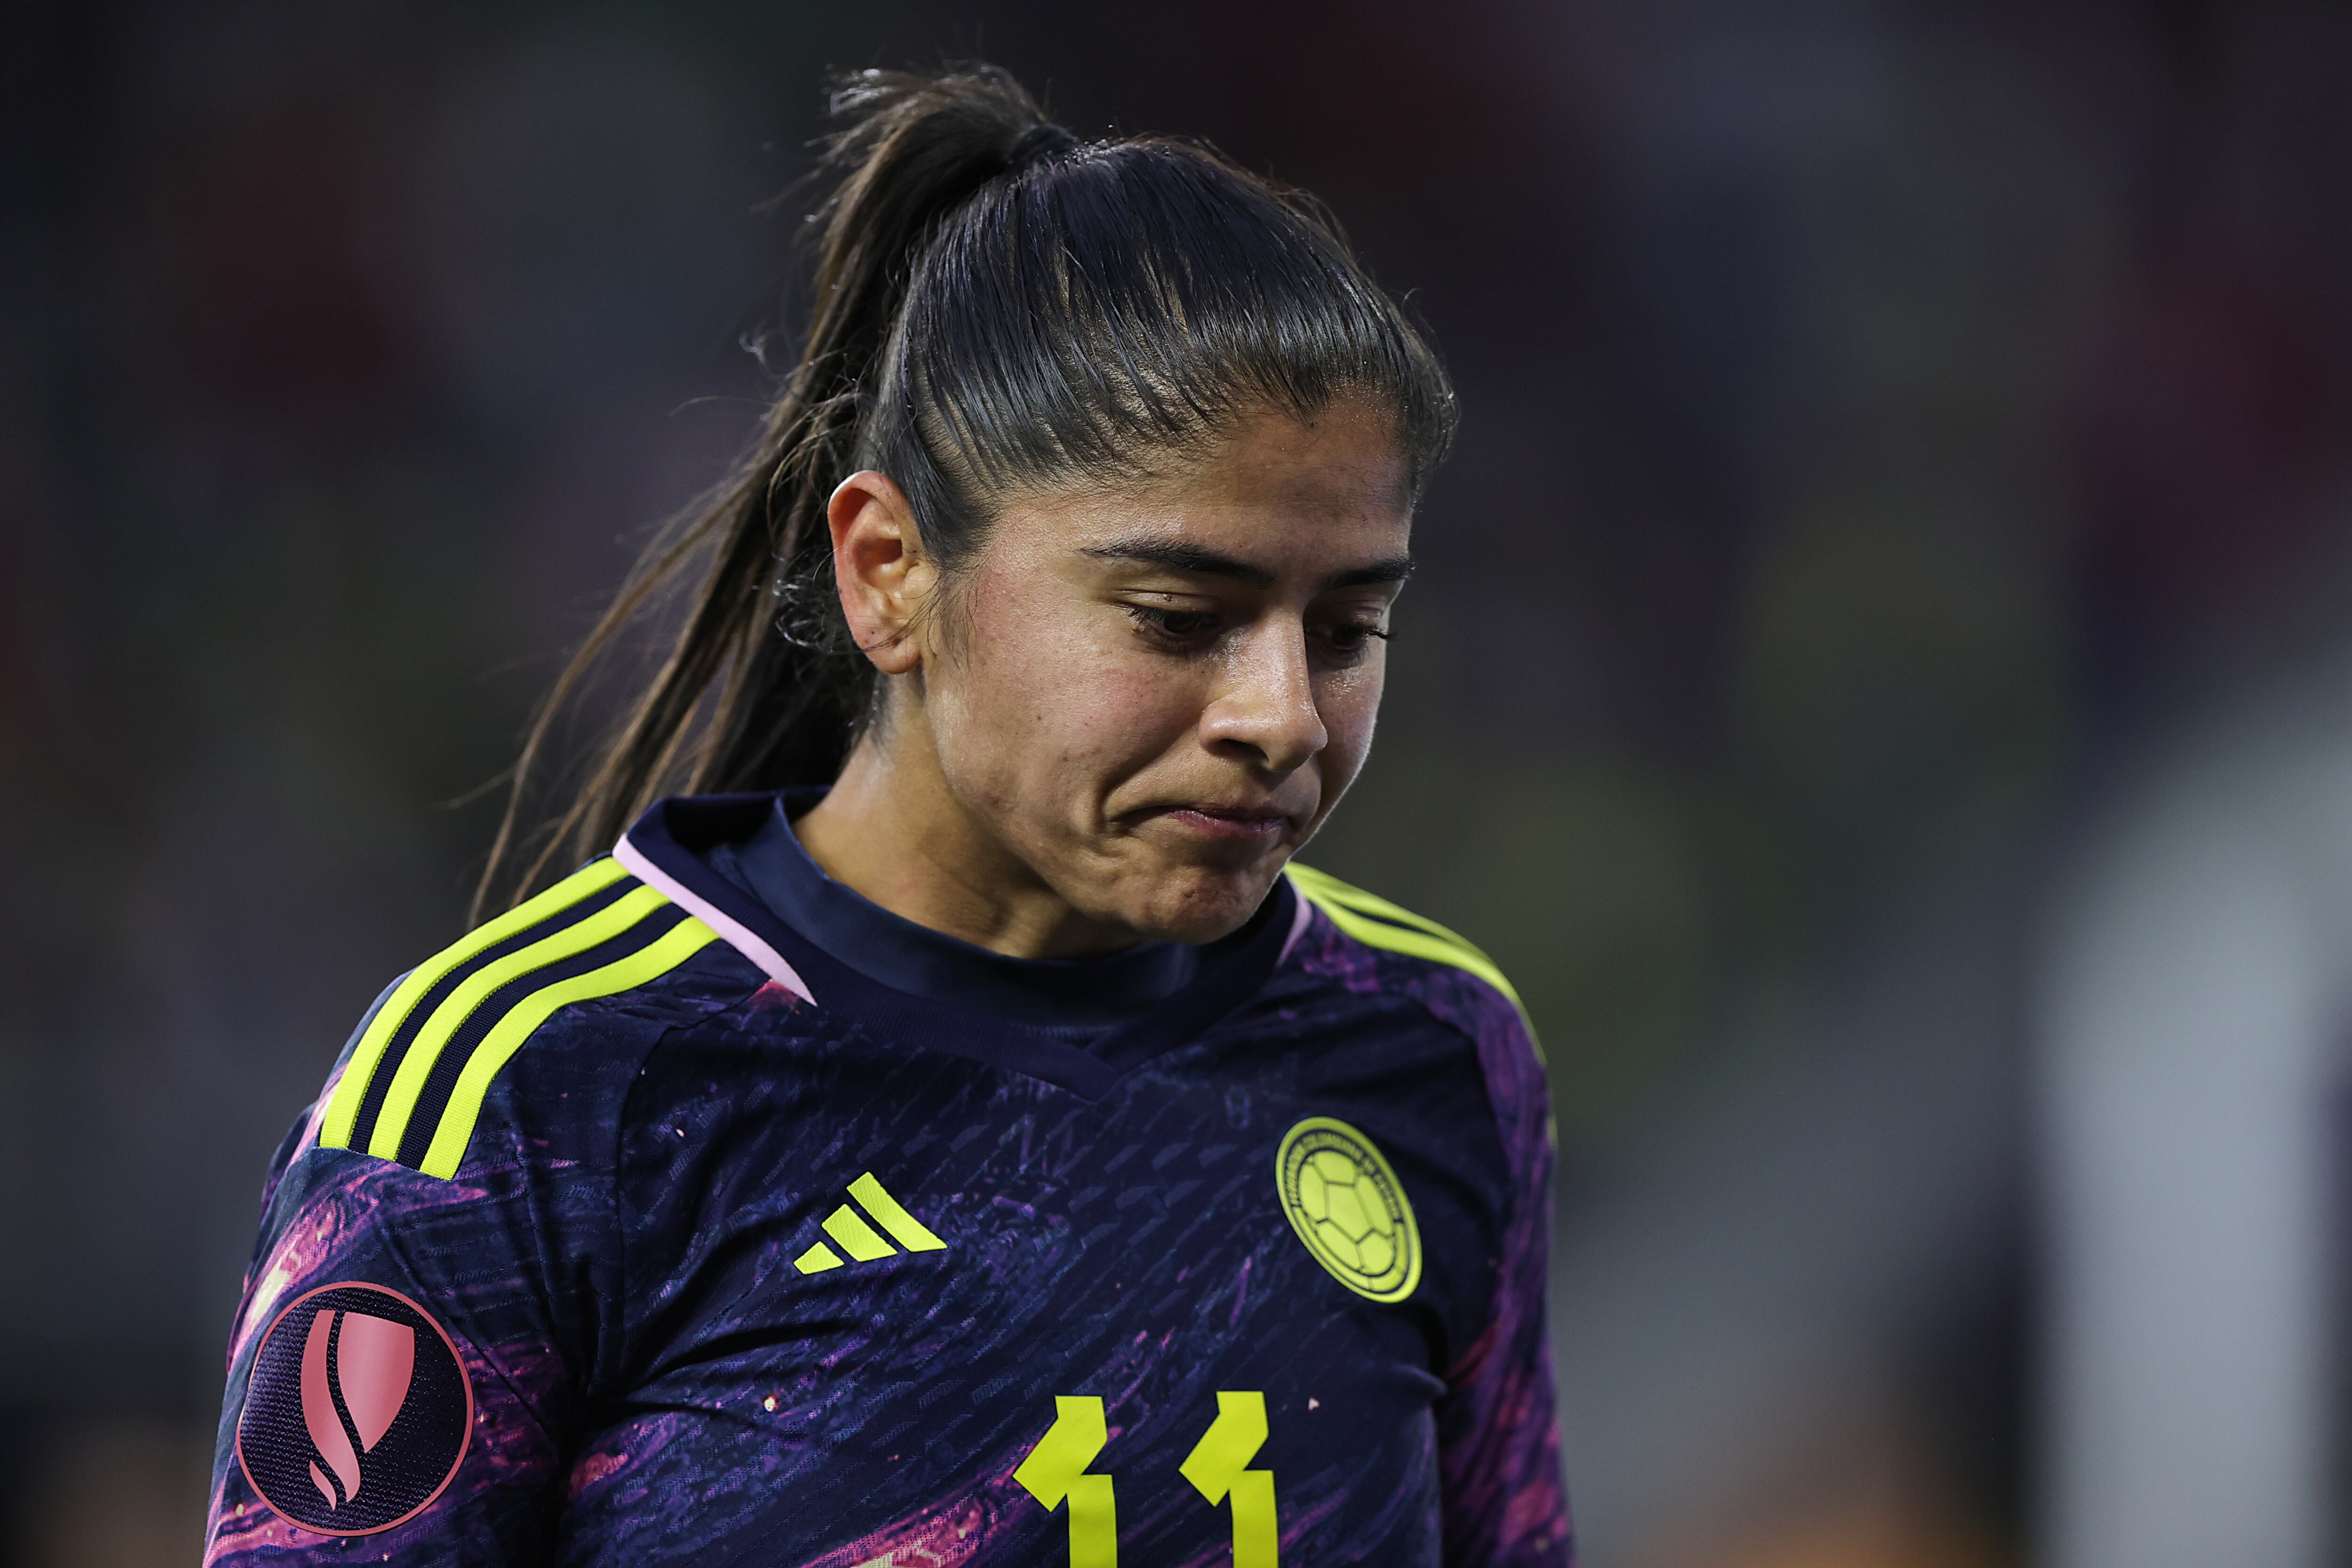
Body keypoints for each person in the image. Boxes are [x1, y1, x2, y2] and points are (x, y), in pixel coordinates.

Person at [202, 63, 1569, 1567]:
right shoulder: (520, 1107)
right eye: (1183, 617)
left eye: (1346, 630)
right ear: (889, 571)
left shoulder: (1434, 1048)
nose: (1285, 716)